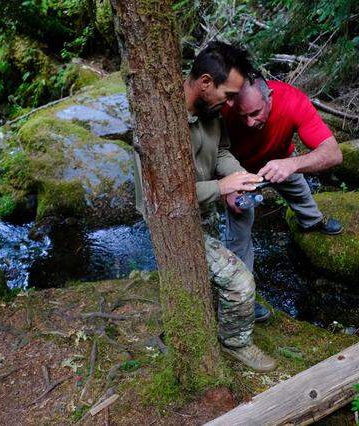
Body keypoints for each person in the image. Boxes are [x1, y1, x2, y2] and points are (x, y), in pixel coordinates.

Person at [133, 42, 276, 372]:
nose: (230, 104)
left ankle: (198, 324)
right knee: (239, 281)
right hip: (170, 219)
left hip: (201, 206)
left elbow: (222, 152)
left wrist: (241, 177)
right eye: (228, 95)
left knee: (207, 278)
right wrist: (221, 187)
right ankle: (236, 343)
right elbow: (163, 197)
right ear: (206, 82)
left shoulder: (211, 113)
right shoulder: (160, 123)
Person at [221, 77, 344, 322]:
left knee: (299, 189)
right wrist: (226, 186)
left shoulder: (292, 101)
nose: (249, 122)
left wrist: (292, 164)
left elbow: (333, 154)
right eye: (242, 115)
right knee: (239, 231)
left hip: (278, 160)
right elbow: (213, 151)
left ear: (270, 98)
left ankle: (311, 221)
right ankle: (241, 297)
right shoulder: (223, 107)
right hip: (236, 171)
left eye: (255, 113)